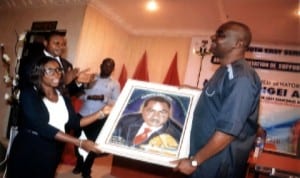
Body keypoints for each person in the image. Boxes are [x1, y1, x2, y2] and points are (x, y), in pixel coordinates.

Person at [173, 21, 261, 178]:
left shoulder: (242, 78)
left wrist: (194, 162)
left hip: (218, 165)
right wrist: (195, 91)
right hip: (207, 160)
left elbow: (227, 132)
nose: (213, 37)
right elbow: (219, 99)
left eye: (221, 34)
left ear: (238, 43)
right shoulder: (225, 71)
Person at [6, 56, 110, 178]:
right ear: (39, 72)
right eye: (50, 70)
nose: (57, 74)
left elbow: (74, 122)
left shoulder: (62, 96)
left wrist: (101, 113)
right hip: (29, 149)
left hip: (53, 150)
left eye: (58, 70)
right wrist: (79, 142)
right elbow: (42, 127)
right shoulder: (29, 94)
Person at [72, 58, 120, 178]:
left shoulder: (115, 84)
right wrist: (89, 97)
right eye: (105, 65)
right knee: (77, 142)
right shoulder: (91, 77)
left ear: (113, 69)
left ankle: (86, 170)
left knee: (93, 145)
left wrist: (103, 98)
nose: (107, 68)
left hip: (99, 118)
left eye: (110, 66)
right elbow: (79, 94)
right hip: (83, 114)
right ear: (101, 65)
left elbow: (116, 102)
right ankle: (79, 163)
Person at [18, 30, 92, 96]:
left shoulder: (67, 65)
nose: (61, 47)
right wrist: (63, 81)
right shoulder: (31, 61)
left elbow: (68, 92)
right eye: (57, 43)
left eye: (63, 44)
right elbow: (28, 86)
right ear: (45, 43)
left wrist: (77, 82)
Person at [113, 95, 182, 150]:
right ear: (142, 110)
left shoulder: (177, 135)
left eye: (162, 112)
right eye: (151, 111)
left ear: (169, 114)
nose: (156, 116)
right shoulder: (126, 121)